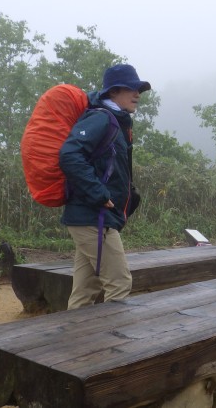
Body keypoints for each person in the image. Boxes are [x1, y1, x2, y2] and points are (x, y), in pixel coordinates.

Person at [59, 64, 150, 310]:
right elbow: (69, 155)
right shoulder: (101, 118)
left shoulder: (116, 123)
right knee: (119, 283)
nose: (137, 94)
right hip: (94, 217)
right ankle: (113, 343)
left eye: (139, 89)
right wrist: (99, 194)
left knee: (85, 290)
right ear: (113, 92)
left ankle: (74, 344)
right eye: (132, 88)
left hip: (94, 217)